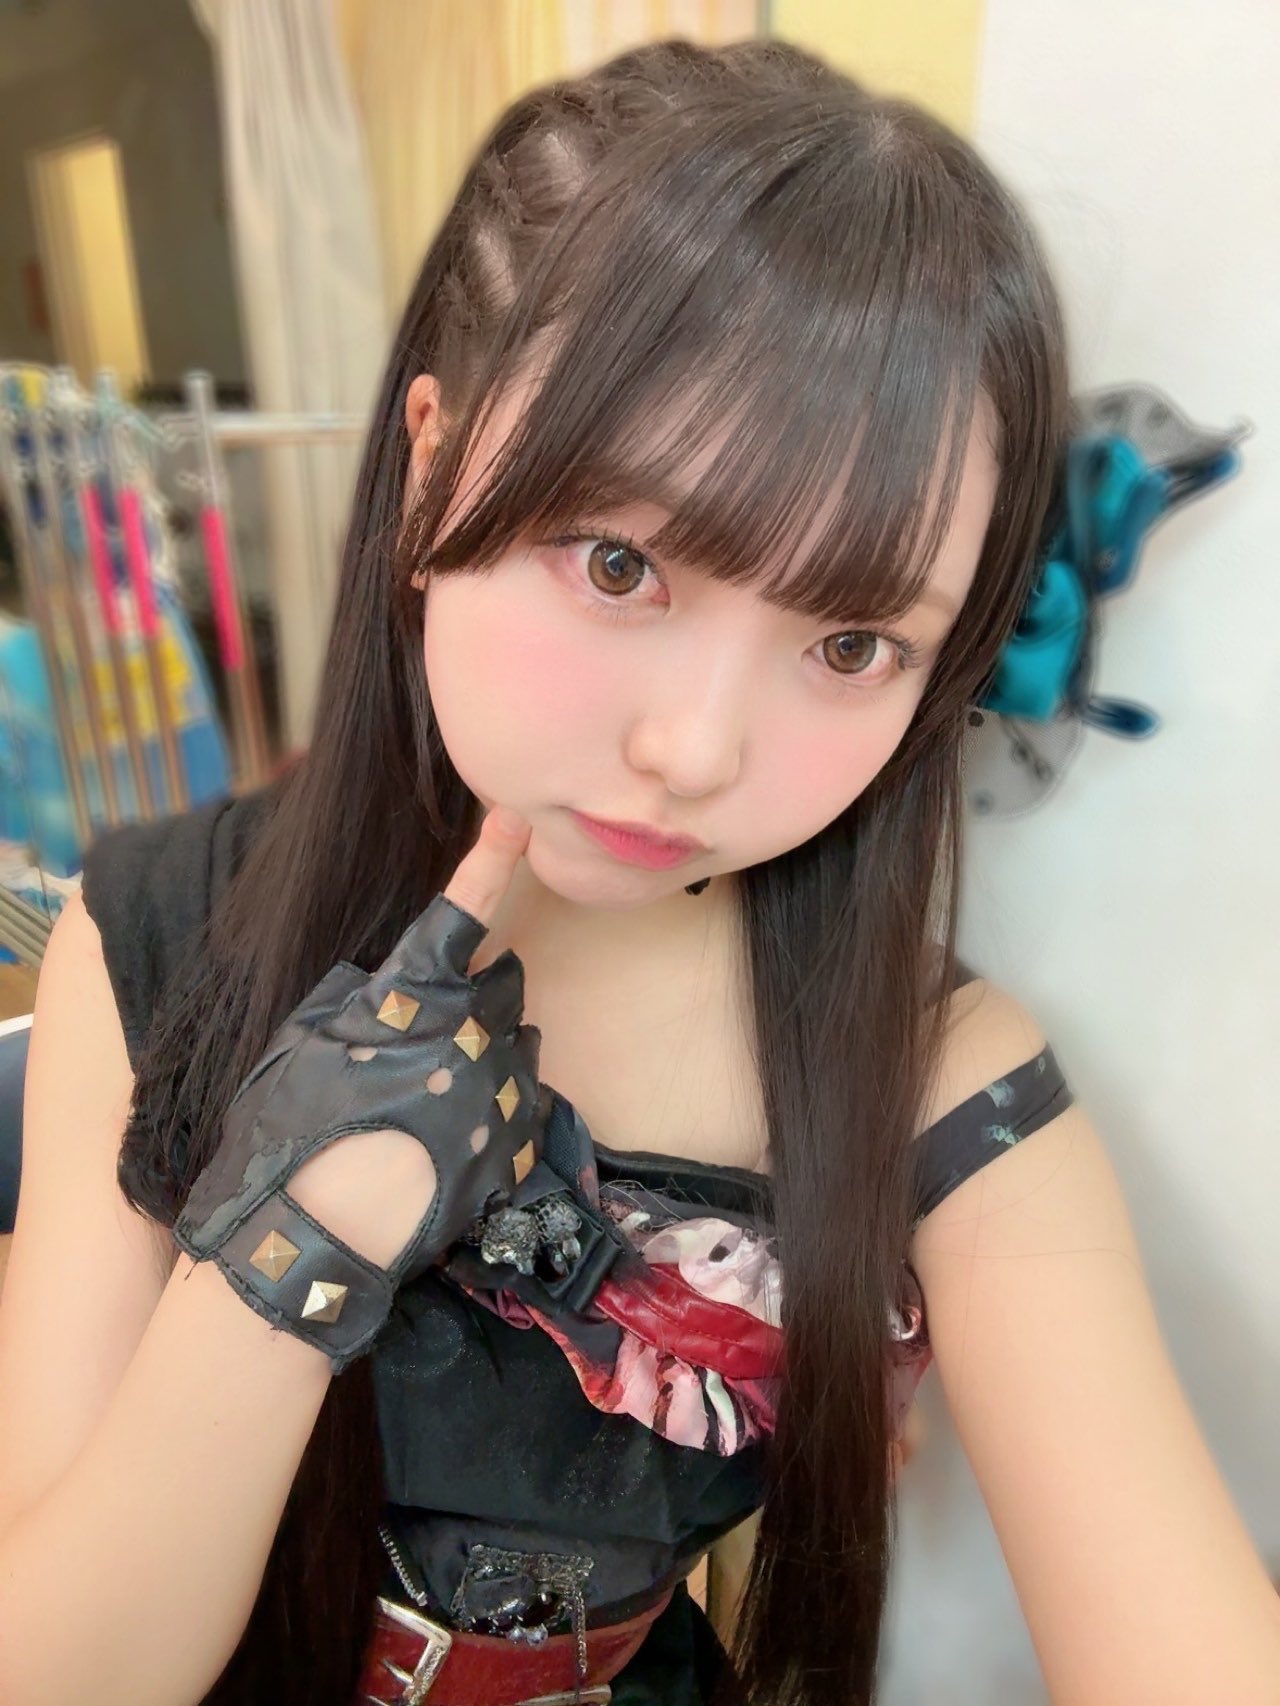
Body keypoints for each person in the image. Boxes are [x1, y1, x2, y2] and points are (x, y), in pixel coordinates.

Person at [1, 35, 1277, 1706]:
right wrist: (297, 1237)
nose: (696, 748)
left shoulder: (936, 1074)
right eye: (620, 562)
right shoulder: (157, 928)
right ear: (433, 465)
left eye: (851, 642)